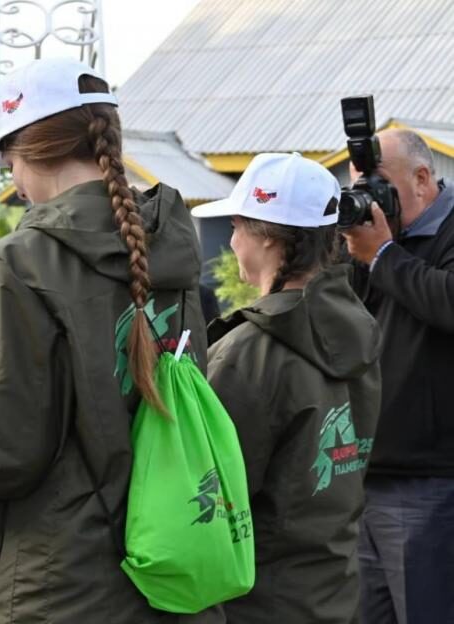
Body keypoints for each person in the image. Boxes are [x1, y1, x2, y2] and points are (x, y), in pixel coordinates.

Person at [0, 57, 216, 623]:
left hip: (64, 582)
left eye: (8, 163)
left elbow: (2, 449)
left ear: (25, 151)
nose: (12, 182)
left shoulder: (27, 259)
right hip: (171, 561)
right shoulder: (171, 239)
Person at [192, 153, 381, 623]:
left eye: (237, 225)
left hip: (259, 601)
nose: (231, 241)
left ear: (269, 236)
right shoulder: (358, 327)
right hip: (332, 592)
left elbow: (209, 497)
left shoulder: (249, 352)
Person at [342, 128, 454, 624]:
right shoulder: (378, 246)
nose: (370, 203)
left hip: (428, 483)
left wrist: (384, 255)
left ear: (423, 179)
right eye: (359, 189)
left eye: (377, 187)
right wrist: (357, 256)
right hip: (364, 476)